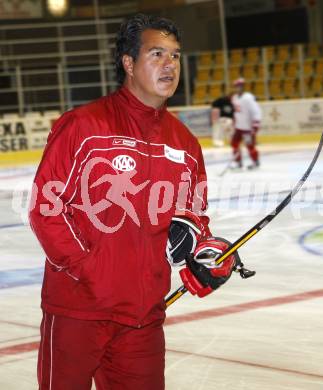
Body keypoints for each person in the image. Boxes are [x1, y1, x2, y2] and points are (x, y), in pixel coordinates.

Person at [29, 14, 237, 390]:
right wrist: (93, 273)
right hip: (78, 310)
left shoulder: (185, 144)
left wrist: (208, 255)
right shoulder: (83, 126)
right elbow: (46, 209)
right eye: (157, 54)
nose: (169, 65)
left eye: (175, 55)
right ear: (128, 63)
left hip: (143, 320)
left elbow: (193, 220)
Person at [230, 77, 262, 170]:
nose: (238, 88)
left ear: (243, 87)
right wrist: (234, 122)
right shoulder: (234, 98)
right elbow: (235, 112)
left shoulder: (248, 98)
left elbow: (256, 111)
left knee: (250, 145)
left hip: (248, 128)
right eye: (236, 86)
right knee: (234, 143)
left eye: (240, 86)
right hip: (239, 127)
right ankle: (238, 162)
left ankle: (255, 161)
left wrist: (255, 124)